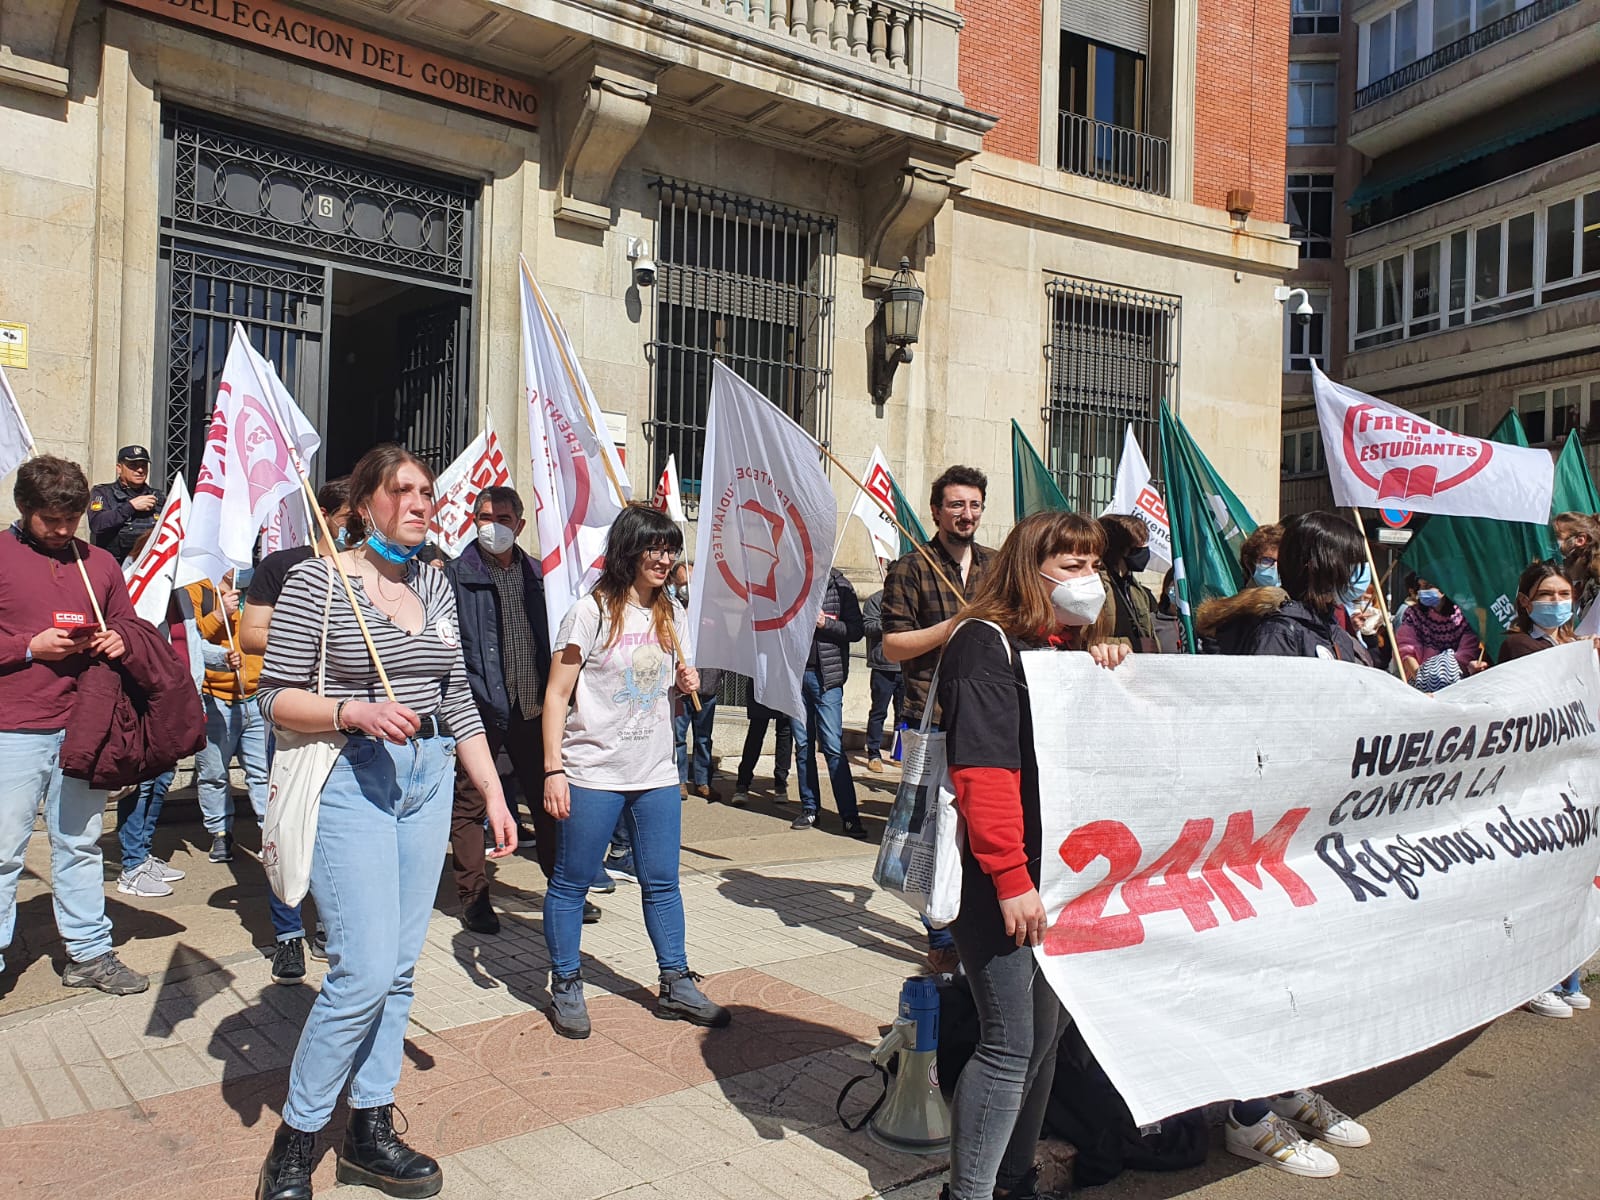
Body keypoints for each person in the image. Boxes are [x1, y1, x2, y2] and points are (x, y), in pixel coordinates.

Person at [253, 445, 517, 1200]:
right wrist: (350, 710)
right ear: (364, 504)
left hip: (429, 781)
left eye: (426, 491)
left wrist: (493, 795)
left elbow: (457, 697)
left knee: (398, 972)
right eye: (400, 490)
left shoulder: (434, 583)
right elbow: (271, 698)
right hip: (352, 777)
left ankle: (369, 1130)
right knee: (361, 971)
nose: (418, 501)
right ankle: (296, 1144)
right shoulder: (318, 583)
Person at [934, 510, 1128, 1200]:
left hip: (1061, 878)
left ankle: (1013, 1180)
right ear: (1030, 568)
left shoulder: (1064, 648)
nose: (1089, 578)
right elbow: (985, 776)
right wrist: (1012, 879)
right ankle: (969, 1192)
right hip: (1006, 882)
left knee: (1044, 1046)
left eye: (1095, 565)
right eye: (1072, 565)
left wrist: (1103, 659)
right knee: (1010, 1046)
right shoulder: (984, 645)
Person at [1218, 511, 1377, 1177]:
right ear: (1326, 569)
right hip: (1280, 843)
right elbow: (1260, 741)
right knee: (1270, 975)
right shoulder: (1278, 633)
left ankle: (1285, 1082)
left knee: (1309, 979)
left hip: (1325, 840)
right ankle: (1246, 1117)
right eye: (1352, 561)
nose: (1362, 573)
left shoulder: (1334, 631)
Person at [541, 504, 729, 1040]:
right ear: (628, 550)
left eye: (670, 549)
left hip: (655, 772)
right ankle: (567, 982)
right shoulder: (591, 611)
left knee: (663, 882)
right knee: (573, 882)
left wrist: (686, 681)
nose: (665, 558)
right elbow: (556, 695)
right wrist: (553, 769)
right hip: (592, 770)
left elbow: (673, 689)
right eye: (654, 547)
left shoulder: (672, 612)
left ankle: (676, 981)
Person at [0, 456, 147, 996]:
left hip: (84, 726)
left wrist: (120, 639)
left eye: (72, 520)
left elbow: (130, 623)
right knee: (2, 850)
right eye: (51, 521)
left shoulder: (100, 564)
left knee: (80, 843)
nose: (63, 531)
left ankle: (88, 953)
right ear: (25, 509)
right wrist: (27, 647)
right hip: (11, 730)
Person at [445, 485, 600, 935]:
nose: (493, 527)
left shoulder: (541, 576)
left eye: (503, 519)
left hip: (533, 707)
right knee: (471, 804)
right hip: (479, 709)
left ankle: (564, 890)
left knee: (550, 800)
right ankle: (474, 897)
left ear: (521, 525)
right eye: (485, 518)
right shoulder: (456, 576)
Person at [883, 465, 994, 973]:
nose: (965, 514)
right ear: (935, 511)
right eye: (956, 505)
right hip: (932, 718)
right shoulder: (912, 568)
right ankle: (940, 937)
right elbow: (892, 645)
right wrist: (953, 626)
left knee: (980, 825)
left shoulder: (995, 567)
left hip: (989, 715)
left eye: (973, 505)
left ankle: (971, 923)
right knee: (935, 830)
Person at [237, 477, 349, 964]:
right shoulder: (282, 566)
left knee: (337, 828)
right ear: (326, 516)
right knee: (285, 823)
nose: (360, 528)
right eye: (351, 519)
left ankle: (328, 923)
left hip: (349, 720)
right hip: (292, 717)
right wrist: (310, 632)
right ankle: (286, 934)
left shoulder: (371, 571)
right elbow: (250, 635)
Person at [1494, 561, 1594, 1017]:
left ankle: (1567, 974)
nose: (1556, 603)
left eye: (1563, 595)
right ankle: (1533, 980)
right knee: (1538, 882)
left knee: (1573, 881)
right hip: (1536, 781)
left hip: (1576, 778)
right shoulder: (1520, 645)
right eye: (1546, 595)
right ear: (1525, 601)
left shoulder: (1573, 645)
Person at [791, 566, 867, 836]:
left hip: (827, 680)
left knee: (833, 747)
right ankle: (810, 808)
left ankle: (849, 816)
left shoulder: (840, 585)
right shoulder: (792, 580)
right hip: (797, 678)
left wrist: (827, 624)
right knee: (802, 746)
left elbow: (857, 630)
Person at [669, 562, 722, 801]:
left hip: (707, 685)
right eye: (681, 584)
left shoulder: (712, 609)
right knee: (678, 737)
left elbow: (724, 642)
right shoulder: (670, 609)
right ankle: (679, 781)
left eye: (689, 582)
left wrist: (718, 675)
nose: (685, 588)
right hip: (680, 688)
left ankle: (702, 781)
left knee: (703, 737)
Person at [89, 444, 164, 563]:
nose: (140, 470)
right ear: (119, 468)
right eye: (133, 466)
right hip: (113, 565)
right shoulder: (103, 493)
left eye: (143, 466)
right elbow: (97, 525)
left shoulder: (158, 497)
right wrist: (130, 507)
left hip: (148, 567)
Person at [1396, 578, 1483, 679]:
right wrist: (1422, 680)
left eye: (1428, 586)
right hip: (1419, 681)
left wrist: (1443, 675)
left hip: (1454, 680)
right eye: (1421, 586)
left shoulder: (1465, 617)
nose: (1423, 591)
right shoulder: (1413, 614)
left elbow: (1467, 653)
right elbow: (1406, 649)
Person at [1098, 514, 1159, 652]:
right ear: (1121, 548)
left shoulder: (1135, 588)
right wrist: (1135, 645)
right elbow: (1084, 640)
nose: (1144, 548)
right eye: (1139, 543)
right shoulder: (1098, 587)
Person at [862, 579, 903, 772]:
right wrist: (888, 624)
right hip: (883, 666)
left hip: (906, 666)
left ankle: (898, 753)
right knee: (879, 711)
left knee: (903, 714)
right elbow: (867, 627)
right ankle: (874, 753)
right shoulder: (875, 600)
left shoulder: (909, 600)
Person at [728, 700, 793, 809]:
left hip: (785, 689)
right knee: (756, 734)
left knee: (784, 733)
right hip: (762, 690)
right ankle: (743, 784)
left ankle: (781, 783)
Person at [1553, 512, 1600, 632]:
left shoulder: (1596, 585)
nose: (1550, 543)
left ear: (1580, 540)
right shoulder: (1545, 576)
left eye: (1556, 536)